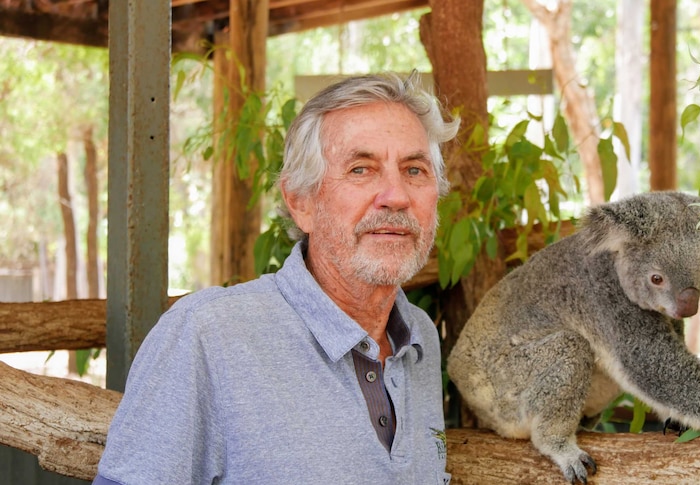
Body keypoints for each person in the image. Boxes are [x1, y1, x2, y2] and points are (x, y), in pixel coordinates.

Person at [94, 72, 460, 485]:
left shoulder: (418, 338)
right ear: (300, 202)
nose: (396, 195)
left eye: (415, 170)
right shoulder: (208, 336)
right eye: (361, 169)